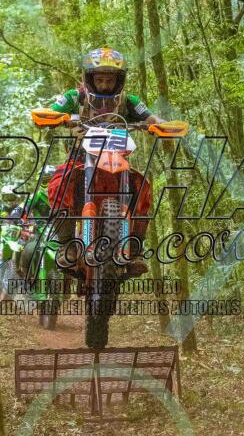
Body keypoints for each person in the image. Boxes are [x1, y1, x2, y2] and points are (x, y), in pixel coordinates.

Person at [45, 47, 164, 274]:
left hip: (116, 160)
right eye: (99, 79)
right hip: (81, 158)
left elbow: (150, 117)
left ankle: (135, 248)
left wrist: (161, 126)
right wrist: (53, 117)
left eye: (110, 80)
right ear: (89, 78)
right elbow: (52, 110)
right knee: (58, 184)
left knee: (142, 187)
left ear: (119, 80)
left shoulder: (129, 100)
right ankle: (66, 244)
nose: (104, 85)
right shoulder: (75, 97)